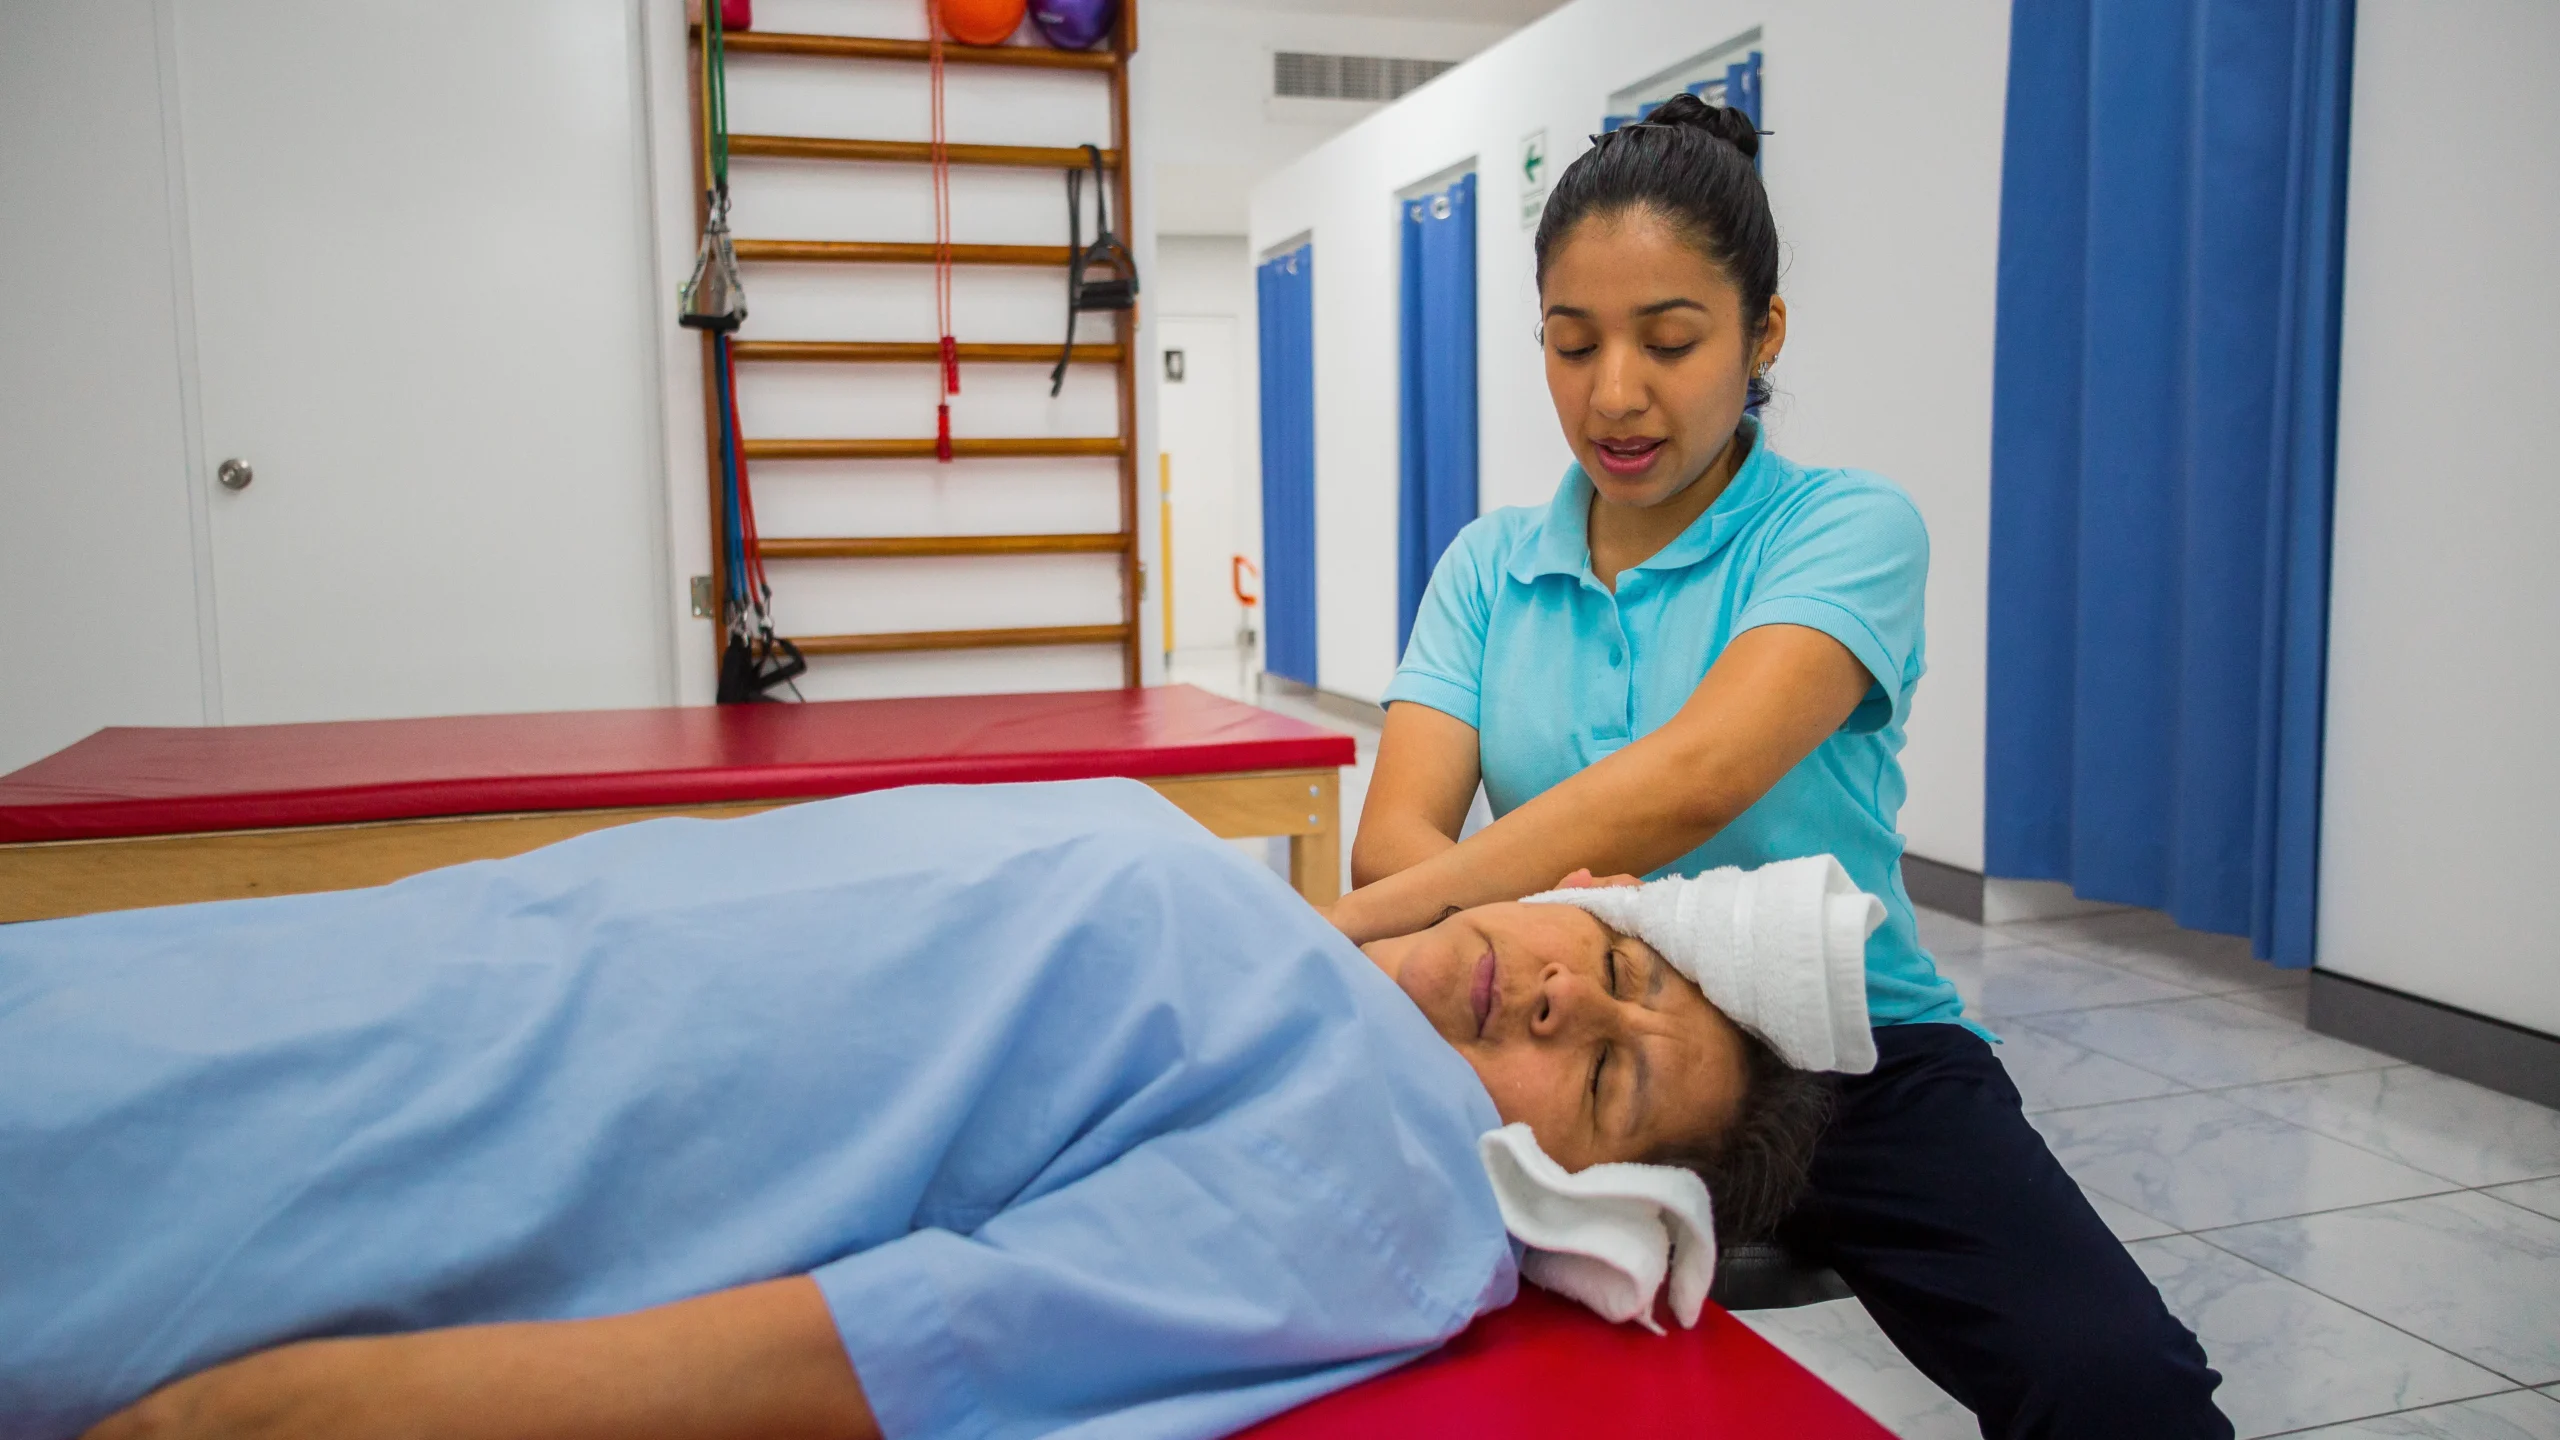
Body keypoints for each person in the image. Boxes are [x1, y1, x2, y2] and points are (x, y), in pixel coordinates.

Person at [2, 779, 1826, 1440]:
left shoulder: (1388, 1189)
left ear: (1582, 1198)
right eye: (1617, 963)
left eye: (1605, 1076)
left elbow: (895, 1353)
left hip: (431, 1137)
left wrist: (280, 1415)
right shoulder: (1307, 967)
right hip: (464, 958)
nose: (1572, 997)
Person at [1337, 93, 2231, 1439]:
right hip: (1571, 1053)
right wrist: (1492, 939)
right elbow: (1394, 838)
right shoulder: (1486, 566)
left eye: (1670, 340)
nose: (1614, 393)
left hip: (1853, 1052)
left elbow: (1694, 777)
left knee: (2116, 1385)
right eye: (1572, 344)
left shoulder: (1847, 528)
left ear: (1762, 335)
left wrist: (1358, 928)